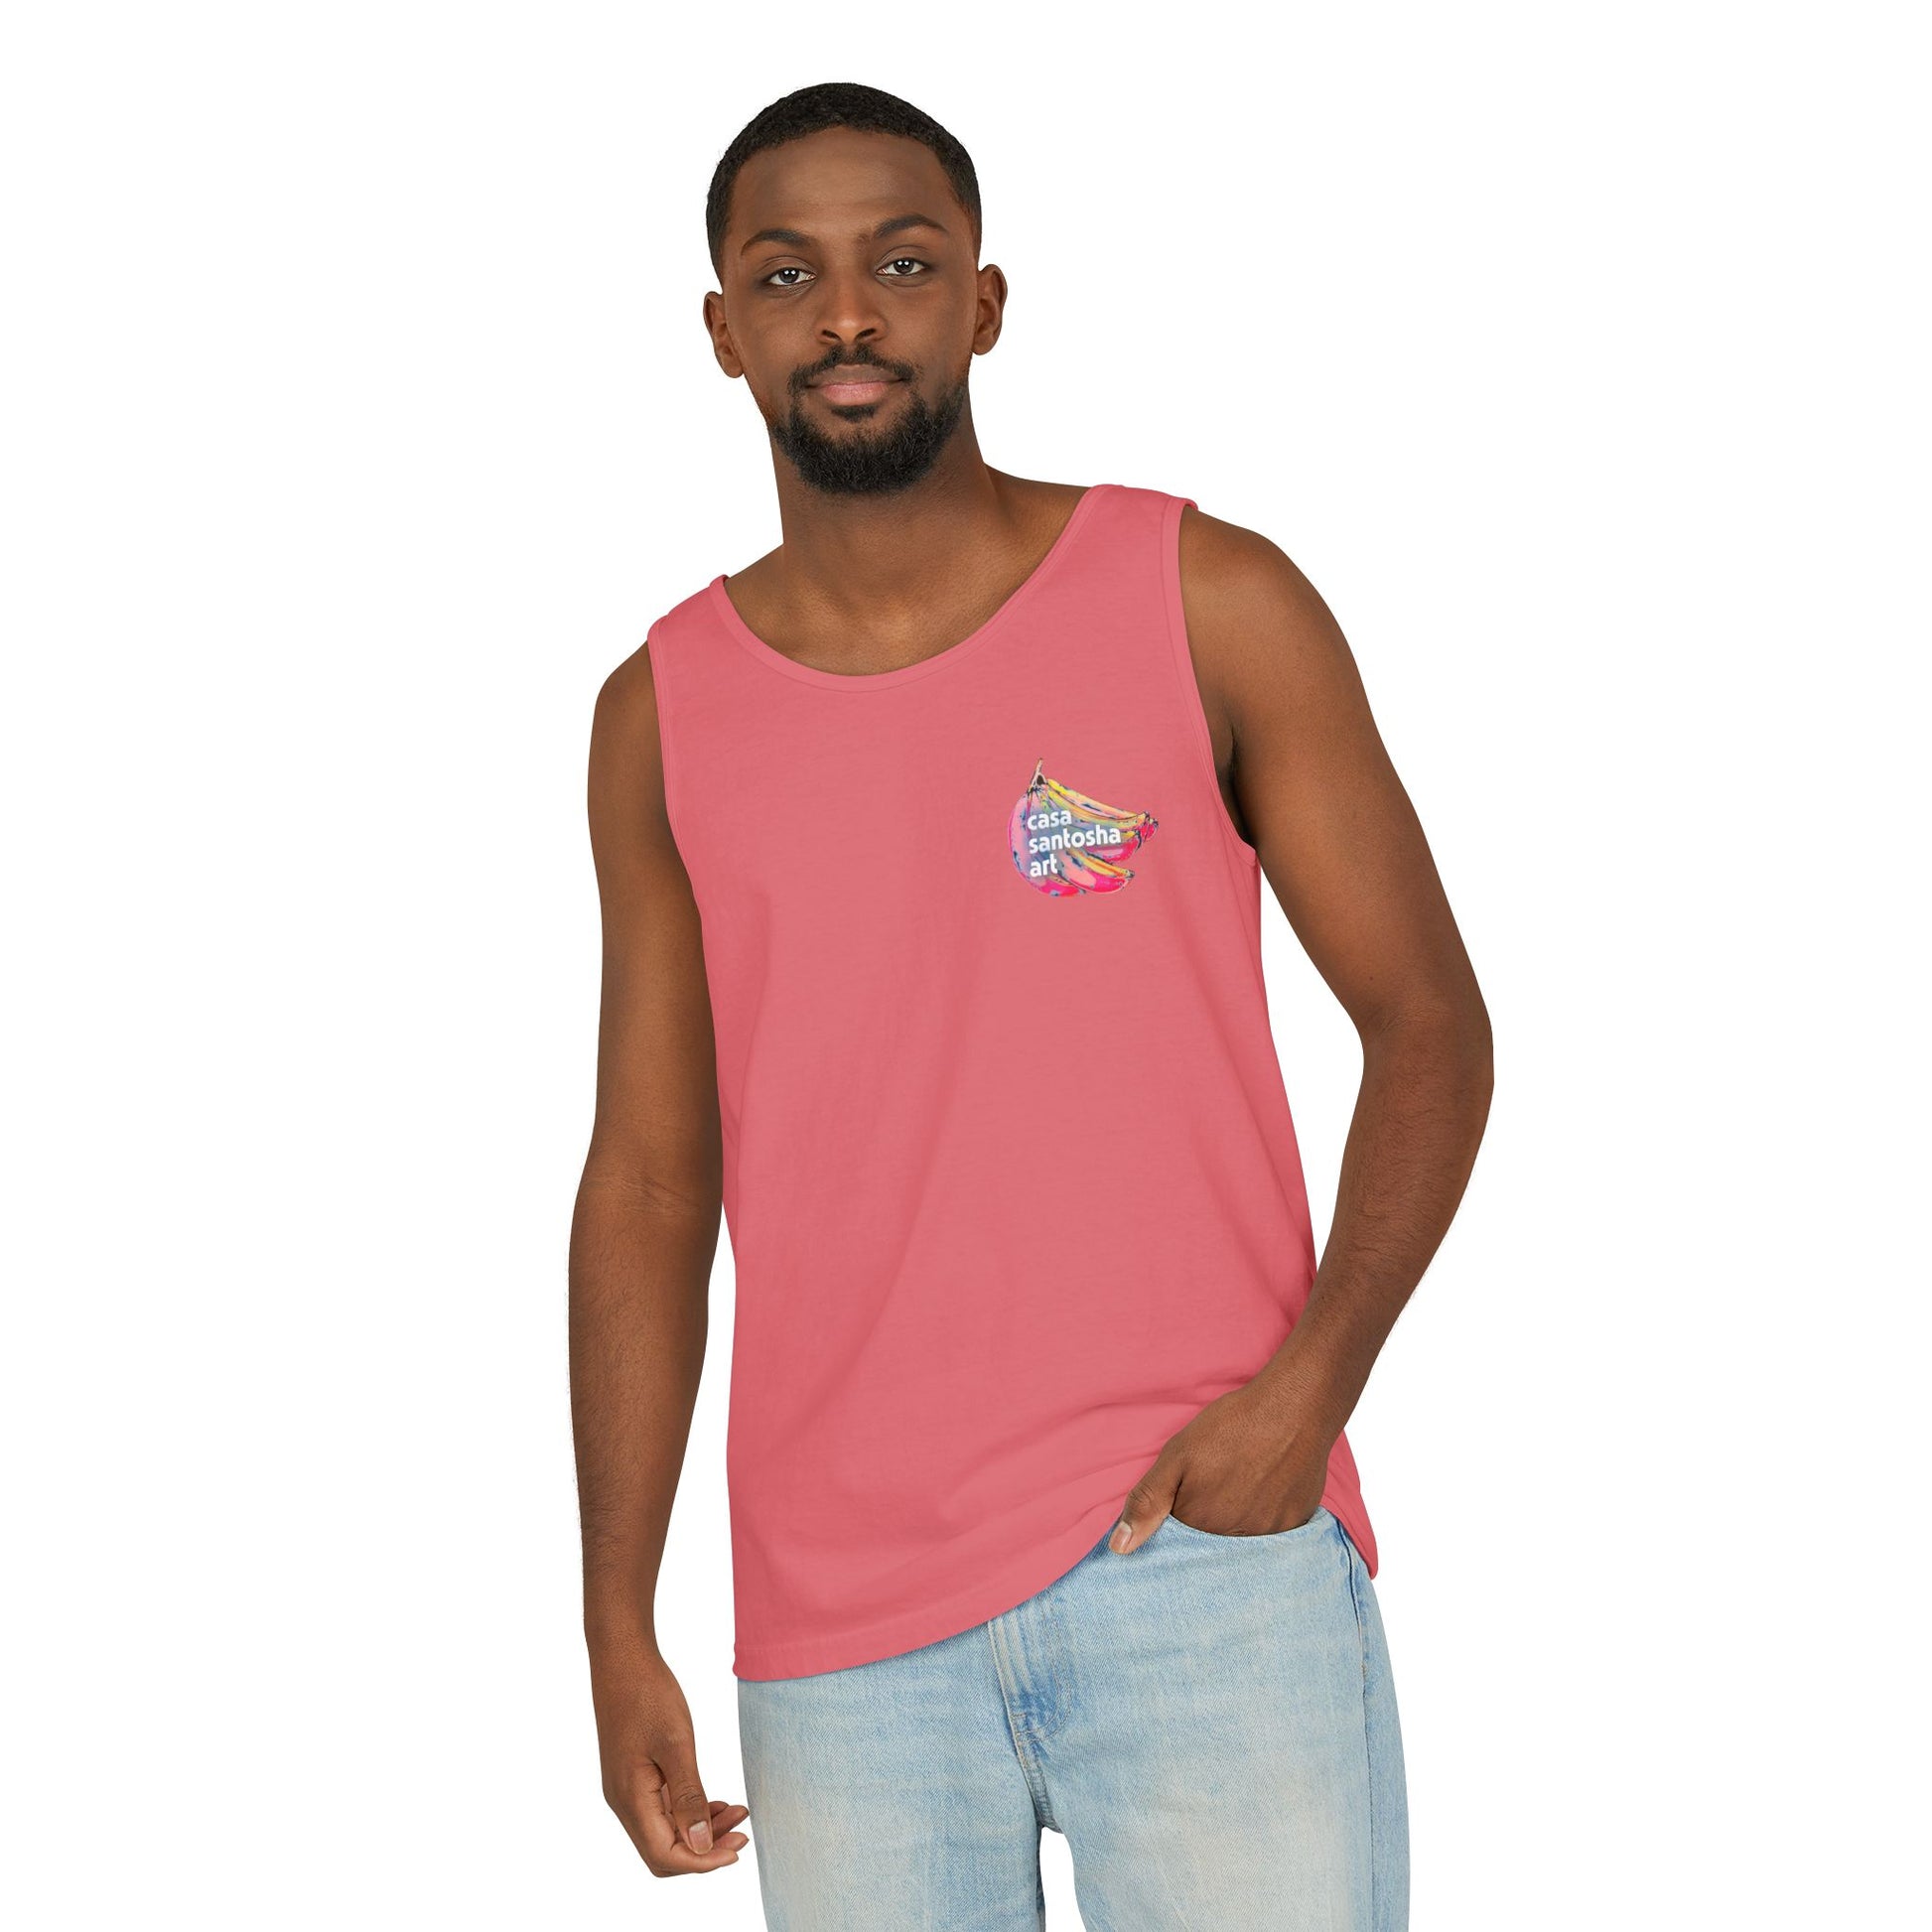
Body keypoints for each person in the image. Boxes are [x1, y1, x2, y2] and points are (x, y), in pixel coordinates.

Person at [569, 80, 1492, 1931]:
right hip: (840, 1630)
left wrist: (1305, 1397)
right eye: (787, 274)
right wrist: (615, 1615)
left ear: (982, 301)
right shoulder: (659, 715)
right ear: (723, 328)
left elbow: (1428, 1023)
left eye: (902, 264)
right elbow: (653, 1184)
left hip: (1200, 1553)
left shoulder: (1203, 597)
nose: (848, 314)